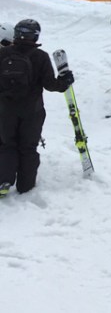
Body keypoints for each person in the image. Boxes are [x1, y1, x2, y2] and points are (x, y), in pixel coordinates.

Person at [0, 19, 73, 196]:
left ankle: (3, 182)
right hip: (32, 111)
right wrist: (65, 81)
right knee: (28, 147)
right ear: (35, 36)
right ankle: (26, 185)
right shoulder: (40, 56)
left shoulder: (2, 54)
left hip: (5, 110)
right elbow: (50, 84)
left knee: (6, 145)